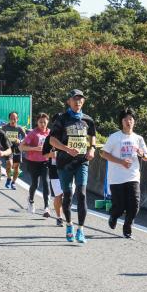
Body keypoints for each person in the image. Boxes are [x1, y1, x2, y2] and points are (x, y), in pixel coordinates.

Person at [50, 89, 97, 244]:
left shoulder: (88, 120)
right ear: (69, 102)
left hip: (82, 162)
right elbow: (52, 140)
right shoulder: (62, 119)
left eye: (81, 99)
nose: (78, 102)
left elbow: (93, 136)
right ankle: (69, 225)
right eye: (75, 99)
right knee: (68, 195)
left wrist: (92, 149)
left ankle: (81, 229)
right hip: (64, 163)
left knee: (82, 194)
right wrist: (66, 149)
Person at [101, 108, 147, 239]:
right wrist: (121, 161)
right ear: (121, 122)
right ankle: (114, 216)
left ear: (134, 122)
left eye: (131, 119)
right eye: (126, 119)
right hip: (116, 177)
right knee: (120, 206)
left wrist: (142, 154)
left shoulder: (138, 138)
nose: (129, 121)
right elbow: (104, 153)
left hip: (133, 175)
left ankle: (127, 229)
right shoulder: (114, 137)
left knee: (134, 205)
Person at [19, 113, 51, 217]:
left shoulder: (50, 133)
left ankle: (46, 207)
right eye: (40, 122)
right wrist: (34, 148)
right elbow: (21, 147)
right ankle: (31, 200)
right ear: (37, 122)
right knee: (35, 184)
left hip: (45, 161)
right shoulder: (33, 133)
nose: (42, 124)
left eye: (44, 122)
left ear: (48, 122)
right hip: (33, 162)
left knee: (46, 182)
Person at [43, 113, 64, 227]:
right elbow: (44, 154)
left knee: (68, 194)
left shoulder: (69, 136)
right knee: (58, 195)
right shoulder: (49, 138)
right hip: (54, 170)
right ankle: (59, 217)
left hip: (69, 169)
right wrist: (52, 154)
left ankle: (64, 212)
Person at [2, 112, 26, 190]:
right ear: (9, 119)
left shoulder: (19, 128)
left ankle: (13, 182)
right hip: (8, 148)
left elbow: (26, 138)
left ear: (17, 119)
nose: (13, 120)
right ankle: (9, 178)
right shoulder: (5, 127)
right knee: (9, 163)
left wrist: (20, 140)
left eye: (15, 118)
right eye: (11, 118)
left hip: (17, 149)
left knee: (16, 167)